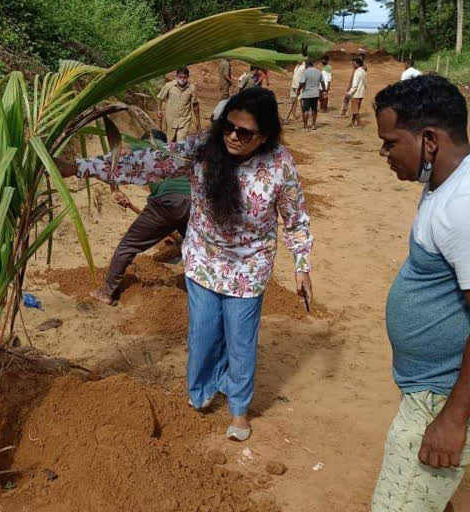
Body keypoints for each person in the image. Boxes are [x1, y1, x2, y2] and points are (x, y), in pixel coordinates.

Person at [58, 88, 314, 442]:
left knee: (240, 340)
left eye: (245, 133)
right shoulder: (203, 149)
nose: (233, 137)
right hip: (203, 261)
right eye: (229, 127)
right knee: (204, 334)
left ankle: (238, 409)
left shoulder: (280, 164)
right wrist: (79, 167)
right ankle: (202, 390)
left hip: (249, 267)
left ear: (265, 137)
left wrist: (302, 265)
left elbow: (295, 218)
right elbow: (147, 162)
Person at [371, 75, 470, 512]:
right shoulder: (442, 187)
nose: (384, 153)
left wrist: (452, 418)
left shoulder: (461, 207)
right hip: (429, 388)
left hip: (441, 396)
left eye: (391, 142)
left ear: (429, 140)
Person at [91, 129, 191, 306]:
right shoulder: (177, 152)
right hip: (193, 203)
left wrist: (115, 190)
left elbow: (114, 159)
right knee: (196, 248)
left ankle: (107, 292)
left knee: (127, 246)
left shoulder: (146, 145)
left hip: (165, 204)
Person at [157, 67, 201, 142]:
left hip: (184, 120)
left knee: (180, 143)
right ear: (176, 76)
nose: (182, 79)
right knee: (170, 142)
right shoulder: (169, 86)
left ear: (188, 77)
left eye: (185, 77)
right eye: (180, 77)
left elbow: (195, 105)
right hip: (170, 120)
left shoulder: (192, 88)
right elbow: (159, 97)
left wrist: (198, 122)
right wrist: (159, 110)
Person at [297, 58, 325, 131]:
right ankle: (314, 125)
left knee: (306, 110)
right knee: (314, 109)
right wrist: (324, 91)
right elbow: (322, 82)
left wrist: (298, 90)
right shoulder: (318, 71)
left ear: (307, 65)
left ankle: (305, 126)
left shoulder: (305, 72)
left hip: (307, 93)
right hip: (316, 94)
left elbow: (302, 82)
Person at [346, 57, 367, 127]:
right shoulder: (364, 72)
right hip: (361, 93)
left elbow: (355, 85)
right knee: (356, 109)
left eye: (354, 63)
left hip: (356, 94)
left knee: (355, 110)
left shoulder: (357, 72)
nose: (353, 65)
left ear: (357, 64)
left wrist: (349, 93)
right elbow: (365, 84)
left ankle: (359, 123)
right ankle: (352, 122)